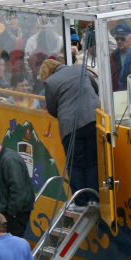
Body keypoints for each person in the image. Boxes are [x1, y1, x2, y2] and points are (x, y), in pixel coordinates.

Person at [40, 59, 100, 203]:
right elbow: (95, 90)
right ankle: (93, 198)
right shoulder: (81, 69)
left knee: (75, 164)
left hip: (71, 127)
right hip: (92, 120)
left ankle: (80, 201)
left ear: (47, 73)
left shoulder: (50, 82)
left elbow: (52, 109)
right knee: (92, 162)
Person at [109, 23, 131, 91]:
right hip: (120, 94)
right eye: (117, 39)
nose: (119, 41)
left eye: (122, 39)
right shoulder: (112, 57)